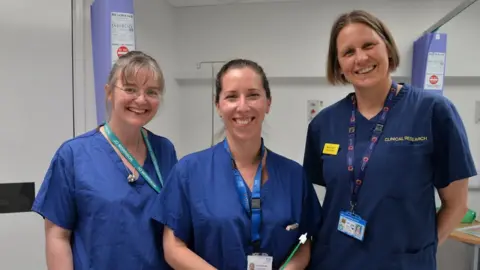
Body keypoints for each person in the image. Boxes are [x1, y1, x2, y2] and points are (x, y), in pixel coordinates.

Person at [304, 10, 477, 270]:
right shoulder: (323, 124)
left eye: (369, 45)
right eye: (348, 52)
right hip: (334, 261)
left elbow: (457, 204)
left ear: (387, 46)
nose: (361, 58)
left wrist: (420, 252)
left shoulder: (433, 112)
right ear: (338, 64)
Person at [151, 59, 322, 270]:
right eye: (232, 97)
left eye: (253, 95)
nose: (242, 106)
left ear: (268, 102)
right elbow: (173, 246)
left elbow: (305, 239)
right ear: (218, 105)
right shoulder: (189, 172)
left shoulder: (294, 176)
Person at [31, 51, 178, 270]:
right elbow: (57, 237)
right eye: (130, 89)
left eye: (152, 92)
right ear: (109, 92)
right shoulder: (74, 155)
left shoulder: (164, 150)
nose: (141, 99)